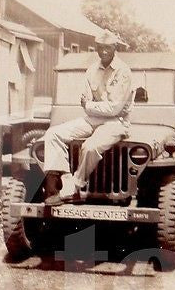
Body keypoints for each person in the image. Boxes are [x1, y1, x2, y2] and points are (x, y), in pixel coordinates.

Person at [43, 30, 133, 205]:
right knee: (53, 134)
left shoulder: (123, 72)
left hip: (117, 122)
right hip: (94, 119)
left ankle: (75, 187)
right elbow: (86, 103)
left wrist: (91, 106)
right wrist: (93, 107)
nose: (104, 51)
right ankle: (63, 183)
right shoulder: (92, 70)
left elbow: (114, 108)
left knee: (90, 147)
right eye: (100, 47)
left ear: (115, 47)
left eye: (108, 47)